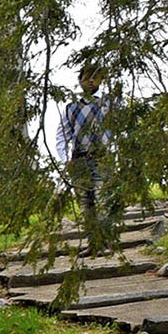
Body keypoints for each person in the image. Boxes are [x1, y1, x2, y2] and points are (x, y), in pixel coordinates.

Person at [59, 67, 114, 235]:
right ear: (80, 80)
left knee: (102, 200)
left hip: (102, 158)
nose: (91, 80)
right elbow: (62, 135)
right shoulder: (70, 108)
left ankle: (105, 240)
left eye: (96, 77)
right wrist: (65, 159)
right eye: (88, 77)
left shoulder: (108, 103)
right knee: (85, 203)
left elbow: (119, 129)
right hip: (79, 160)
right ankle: (92, 242)